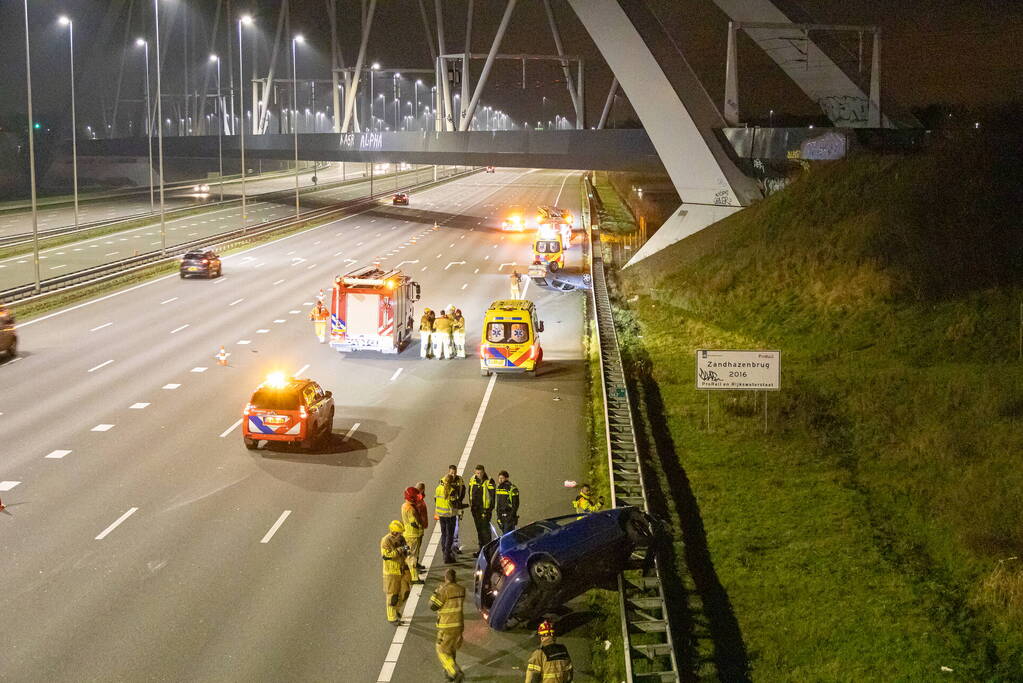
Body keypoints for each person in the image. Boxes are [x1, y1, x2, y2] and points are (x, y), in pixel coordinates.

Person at [429, 568, 466, 683]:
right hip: (459, 624)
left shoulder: (443, 590)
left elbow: (433, 606)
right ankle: (449, 672)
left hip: (446, 625)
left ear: (445, 578)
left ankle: (454, 672)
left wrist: (436, 592)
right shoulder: (461, 589)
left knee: (441, 650)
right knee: (450, 649)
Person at [381, 520, 412, 624]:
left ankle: (396, 609)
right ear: (393, 532)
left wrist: (407, 551)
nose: (401, 535)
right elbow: (387, 555)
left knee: (405, 592)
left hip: (402, 569)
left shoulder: (401, 539)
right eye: (399, 533)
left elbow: (405, 551)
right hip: (391, 572)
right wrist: (400, 550)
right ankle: (392, 617)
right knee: (393, 595)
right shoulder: (386, 541)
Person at [467, 464, 495, 551]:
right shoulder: (472, 479)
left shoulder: (489, 481)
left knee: (485, 531)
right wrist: (471, 505)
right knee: (479, 530)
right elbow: (469, 492)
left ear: (483, 472)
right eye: (477, 473)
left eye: (480, 473)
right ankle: (481, 550)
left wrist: (488, 510)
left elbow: (492, 497)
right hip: (475, 509)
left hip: (485, 510)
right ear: (475, 472)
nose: (479, 475)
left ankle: (488, 550)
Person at [401, 487, 425, 583]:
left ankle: (414, 569)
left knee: (413, 554)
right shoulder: (411, 509)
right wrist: (420, 526)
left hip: (409, 533)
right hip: (413, 535)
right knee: (412, 556)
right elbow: (413, 522)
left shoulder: (404, 505)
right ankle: (414, 577)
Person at [435, 474, 458, 563]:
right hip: (449, 515)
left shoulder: (438, 488)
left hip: (441, 514)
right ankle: (447, 555)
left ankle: (444, 551)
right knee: (450, 536)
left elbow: (435, 499)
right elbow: (454, 503)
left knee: (444, 534)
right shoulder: (452, 491)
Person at [446, 465, 467, 554]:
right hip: (447, 509)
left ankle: (454, 546)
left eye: (455, 473)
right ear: (448, 472)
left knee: (456, 527)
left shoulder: (460, 479)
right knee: (448, 529)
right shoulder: (445, 480)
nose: (453, 475)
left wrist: (459, 502)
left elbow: (463, 490)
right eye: (452, 473)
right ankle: (447, 546)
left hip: (456, 507)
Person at [495, 470, 520, 535]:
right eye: (499, 478)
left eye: (502, 478)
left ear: (507, 478)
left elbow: (515, 505)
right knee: (504, 535)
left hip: (509, 517)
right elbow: (498, 503)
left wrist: (510, 517)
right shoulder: (499, 488)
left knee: (509, 537)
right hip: (501, 517)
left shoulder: (512, 488)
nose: (500, 480)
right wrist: (498, 516)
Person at [414, 481, 429, 570]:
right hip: (417, 528)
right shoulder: (416, 499)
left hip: (420, 527)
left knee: (418, 547)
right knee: (415, 548)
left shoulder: (419, 497)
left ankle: (416, 563)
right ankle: (414, 566)